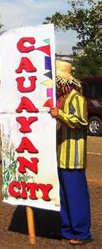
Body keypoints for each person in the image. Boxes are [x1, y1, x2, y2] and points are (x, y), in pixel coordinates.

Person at [50, 60, 92, 245]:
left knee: (76, 196)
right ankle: (68, 230)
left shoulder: (77, 98)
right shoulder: (60, 100)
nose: (56, 85)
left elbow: (81, 121)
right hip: (60, 155)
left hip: (73, 156)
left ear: (64, 82)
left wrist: (59, 114)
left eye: (58, 82)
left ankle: (82, 233)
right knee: (65, 197)